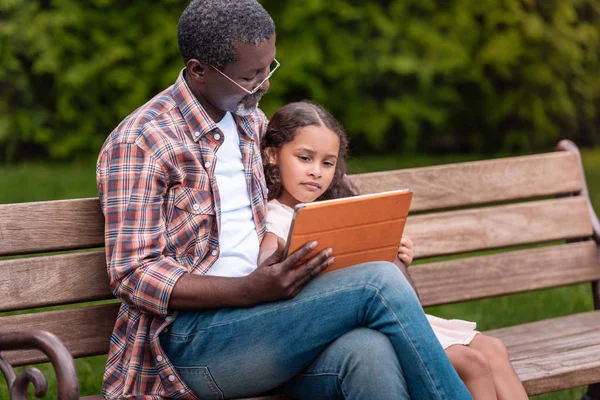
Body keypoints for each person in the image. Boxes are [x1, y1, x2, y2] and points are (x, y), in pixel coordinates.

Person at [96, 0, 473, 399]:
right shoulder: (143, 141)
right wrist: (248, 290)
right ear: (198, 71)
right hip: (188, 344)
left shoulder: (251, 122)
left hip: (267, 317)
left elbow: (293, 202)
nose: (265, 84)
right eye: (250, 75)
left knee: (369, 352)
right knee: (380, 283)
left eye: (269, 67)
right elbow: (133, 275)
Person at [259, 100, 528, 400]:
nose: (316, 172)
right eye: (305, 158)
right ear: (272, 155)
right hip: (350, 329)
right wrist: (276, 256)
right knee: (472, 363)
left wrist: (395, 255)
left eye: (327, 163)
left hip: (394, 318)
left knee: (493, 349)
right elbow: (266, 265)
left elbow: (396, 288)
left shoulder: (339, 209)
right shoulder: (275, 218)